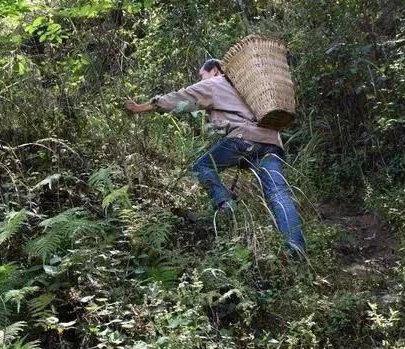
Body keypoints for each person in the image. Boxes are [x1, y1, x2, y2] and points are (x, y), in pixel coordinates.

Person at [125, 59, 305, 256]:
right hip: (271, 140)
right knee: (278, 194)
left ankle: (227, 206)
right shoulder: (248, 88)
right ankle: (296, 249)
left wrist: (141, 107)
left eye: (202, 75)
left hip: (243, 139)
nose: (201, 80)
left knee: (201, 167)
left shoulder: (216, 83)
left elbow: (181, 98)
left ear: (215, 70)